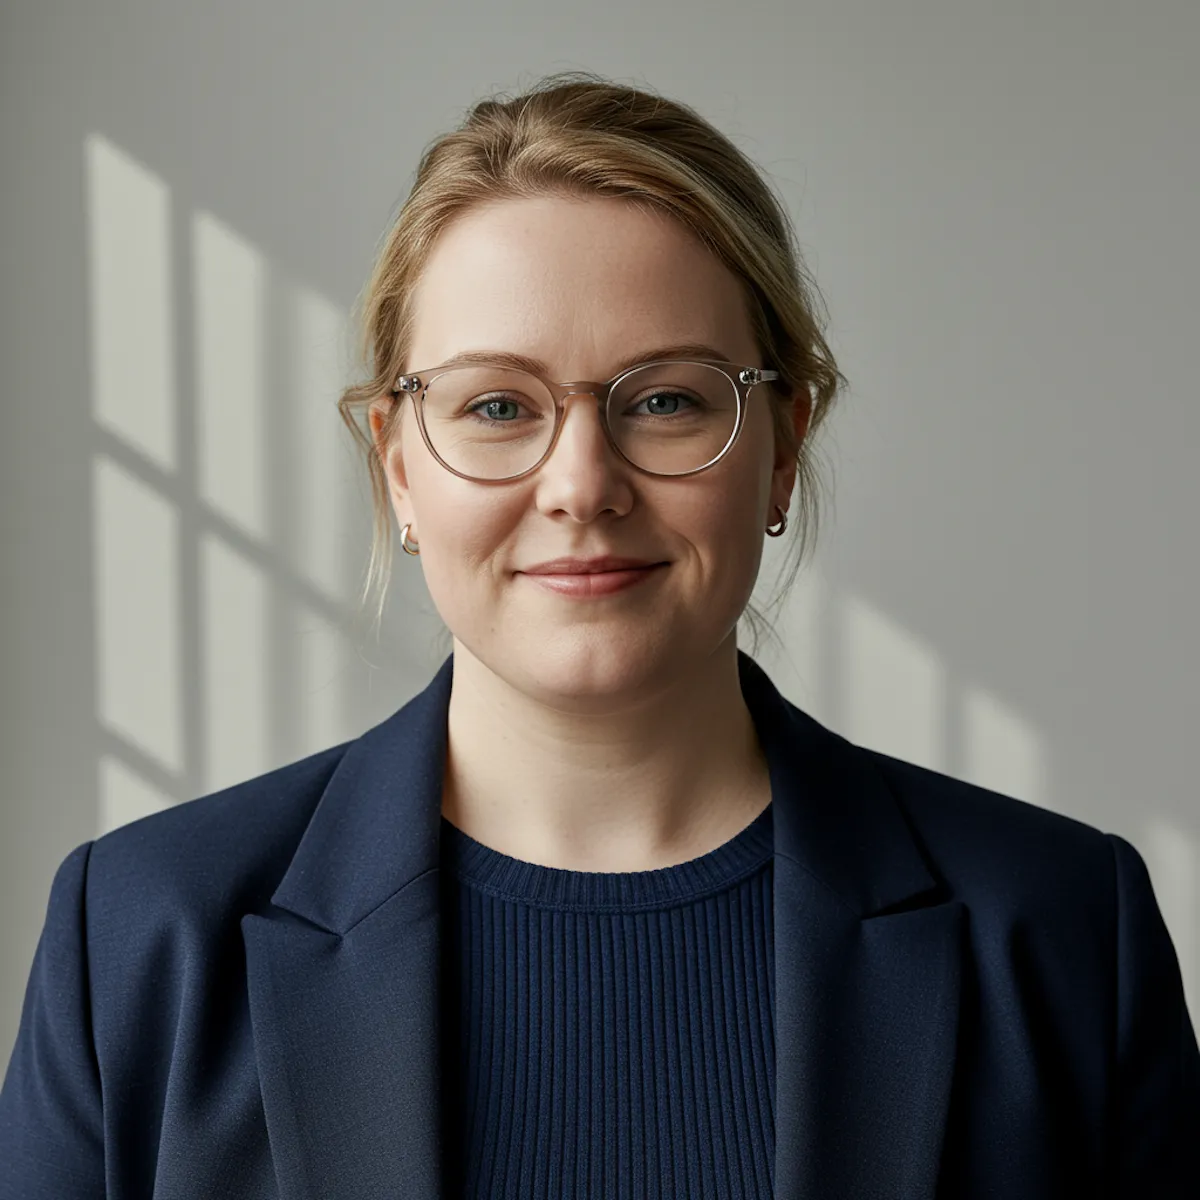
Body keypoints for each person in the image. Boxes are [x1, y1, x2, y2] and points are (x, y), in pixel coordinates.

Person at [1, 71, 1197, 1200]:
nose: (582, 483)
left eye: (667, 399)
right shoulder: (145, 937)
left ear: (784, 444)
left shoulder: (1058, 929)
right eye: (498, 406)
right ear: (399, 467)